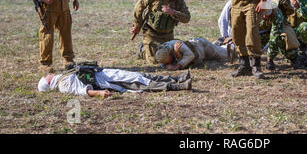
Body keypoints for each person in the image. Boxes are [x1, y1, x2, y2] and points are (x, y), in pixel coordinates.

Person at [131, 0, 191, 65]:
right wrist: (137, 25)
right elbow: (139, 6)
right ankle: (142, 50)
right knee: (156, 61)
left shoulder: (180, 2)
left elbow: (187, 18)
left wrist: (173, 12)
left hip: (168, 35)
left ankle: (152, 49)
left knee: (171, 60)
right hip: (151, 33)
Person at [37, 66, 192, 97]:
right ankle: (178, 86)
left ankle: (177, 78)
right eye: (46, 78)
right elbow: (82, 91)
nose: (47, 75)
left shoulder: (63, 76)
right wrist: (99, 93)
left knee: (140, 75)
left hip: (104, 72)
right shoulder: (63, 85)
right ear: (48, 84)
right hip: (106, 81)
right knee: (139, 83)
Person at [265, 0, 302, 71]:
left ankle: (293, 57)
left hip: (280, 27)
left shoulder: (276, 12)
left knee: (285, 37)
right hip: (262, 29)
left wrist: (269, 58)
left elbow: (274, 35)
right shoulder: (250, 8)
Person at [155, 38, 237, 70]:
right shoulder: (162, 52)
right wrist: (166, 66)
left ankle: (233, 44)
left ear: (169, 54)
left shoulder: (177, 45)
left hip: (202, 47)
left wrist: (177, 65)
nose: (167, 63)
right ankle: (218, 42)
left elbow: (190, 55)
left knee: (226, 56)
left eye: (167, 61)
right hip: (200, 57)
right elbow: (163, 64)